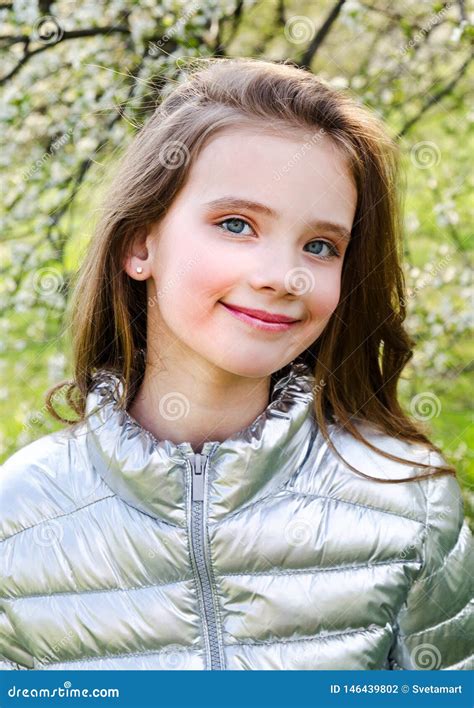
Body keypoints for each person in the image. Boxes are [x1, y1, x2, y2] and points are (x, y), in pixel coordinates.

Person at [0, 58, 472, 671]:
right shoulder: (19, 516)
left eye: (321, 245)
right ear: (141, 244)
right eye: (236, 224)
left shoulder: (409, 502)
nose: (283, 276)